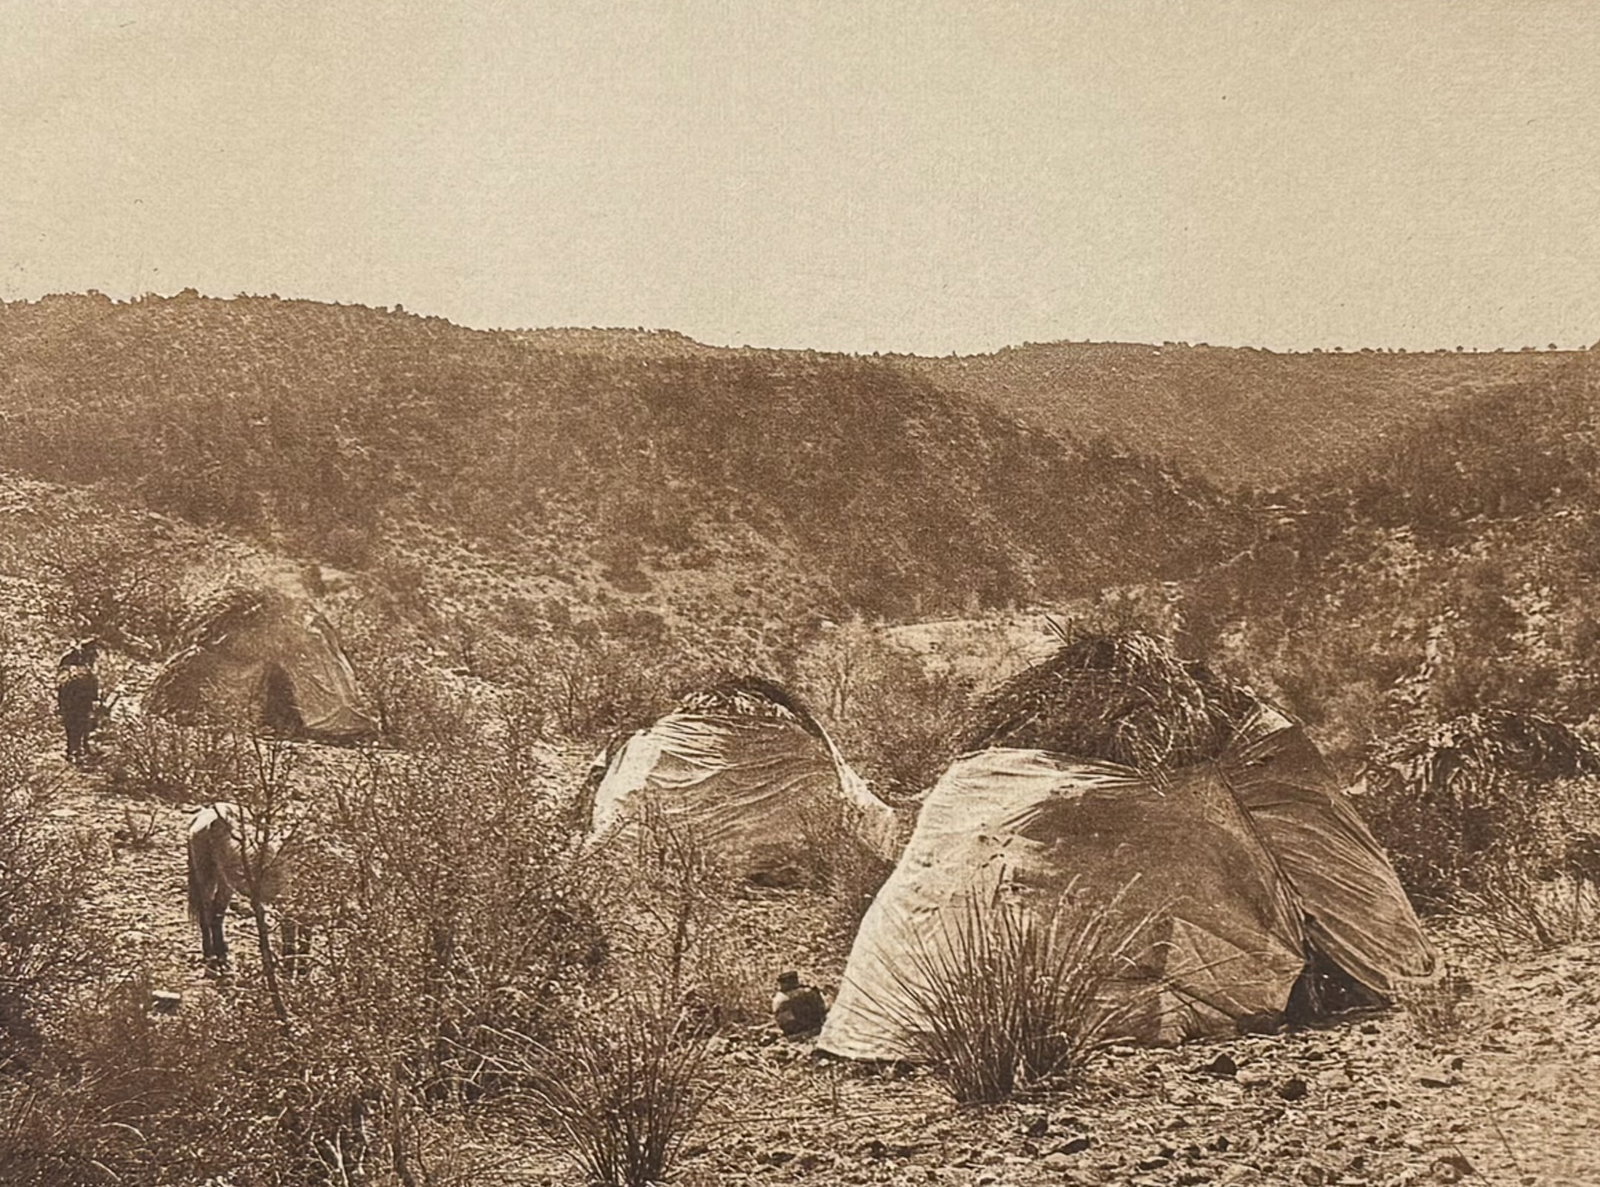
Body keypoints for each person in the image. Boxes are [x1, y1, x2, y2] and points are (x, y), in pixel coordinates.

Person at [56, 637, 101, 766]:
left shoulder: (87, 660)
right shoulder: (71, 659)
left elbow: (94, 680)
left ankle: (79, 748)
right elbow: (61, 680)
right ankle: (74, 750)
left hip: (80, 696)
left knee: (79, 721)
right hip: (73, 695)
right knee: (75, 722)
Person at [771, 970, 827, 1037]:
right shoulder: (809, 991)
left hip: (795, 1031)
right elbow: (822, 1008)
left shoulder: (780, 998)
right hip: (815, 1026)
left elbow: (785, 1022)